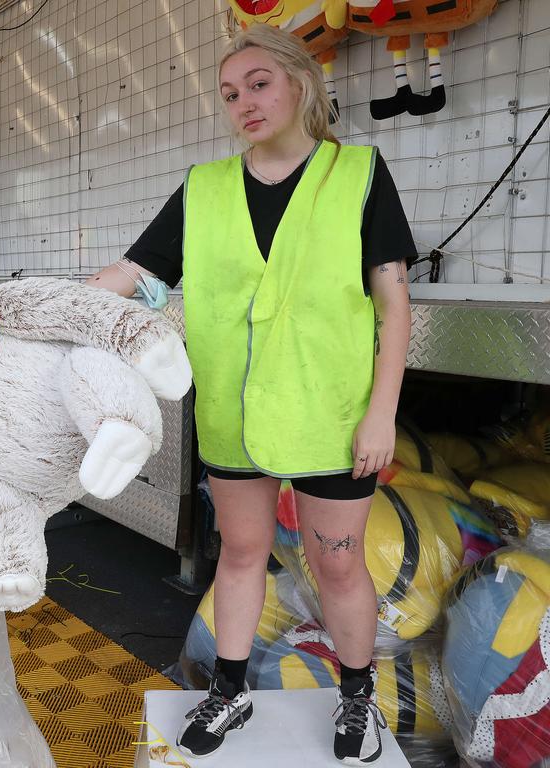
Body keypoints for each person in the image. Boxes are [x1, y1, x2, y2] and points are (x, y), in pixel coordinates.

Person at [87, 23, 413, 765]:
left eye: (259, 84)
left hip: (334, 416)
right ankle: (229, 690)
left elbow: (394, 306)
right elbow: (136, 276)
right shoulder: (203, 188)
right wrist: (47, 303)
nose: (244, 103)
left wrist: (382, 412)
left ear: (300, 82)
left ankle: (356, 698)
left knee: (337, 563)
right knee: (240, 555)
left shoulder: (359, 173)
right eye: (231, 93)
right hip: (233, 416)